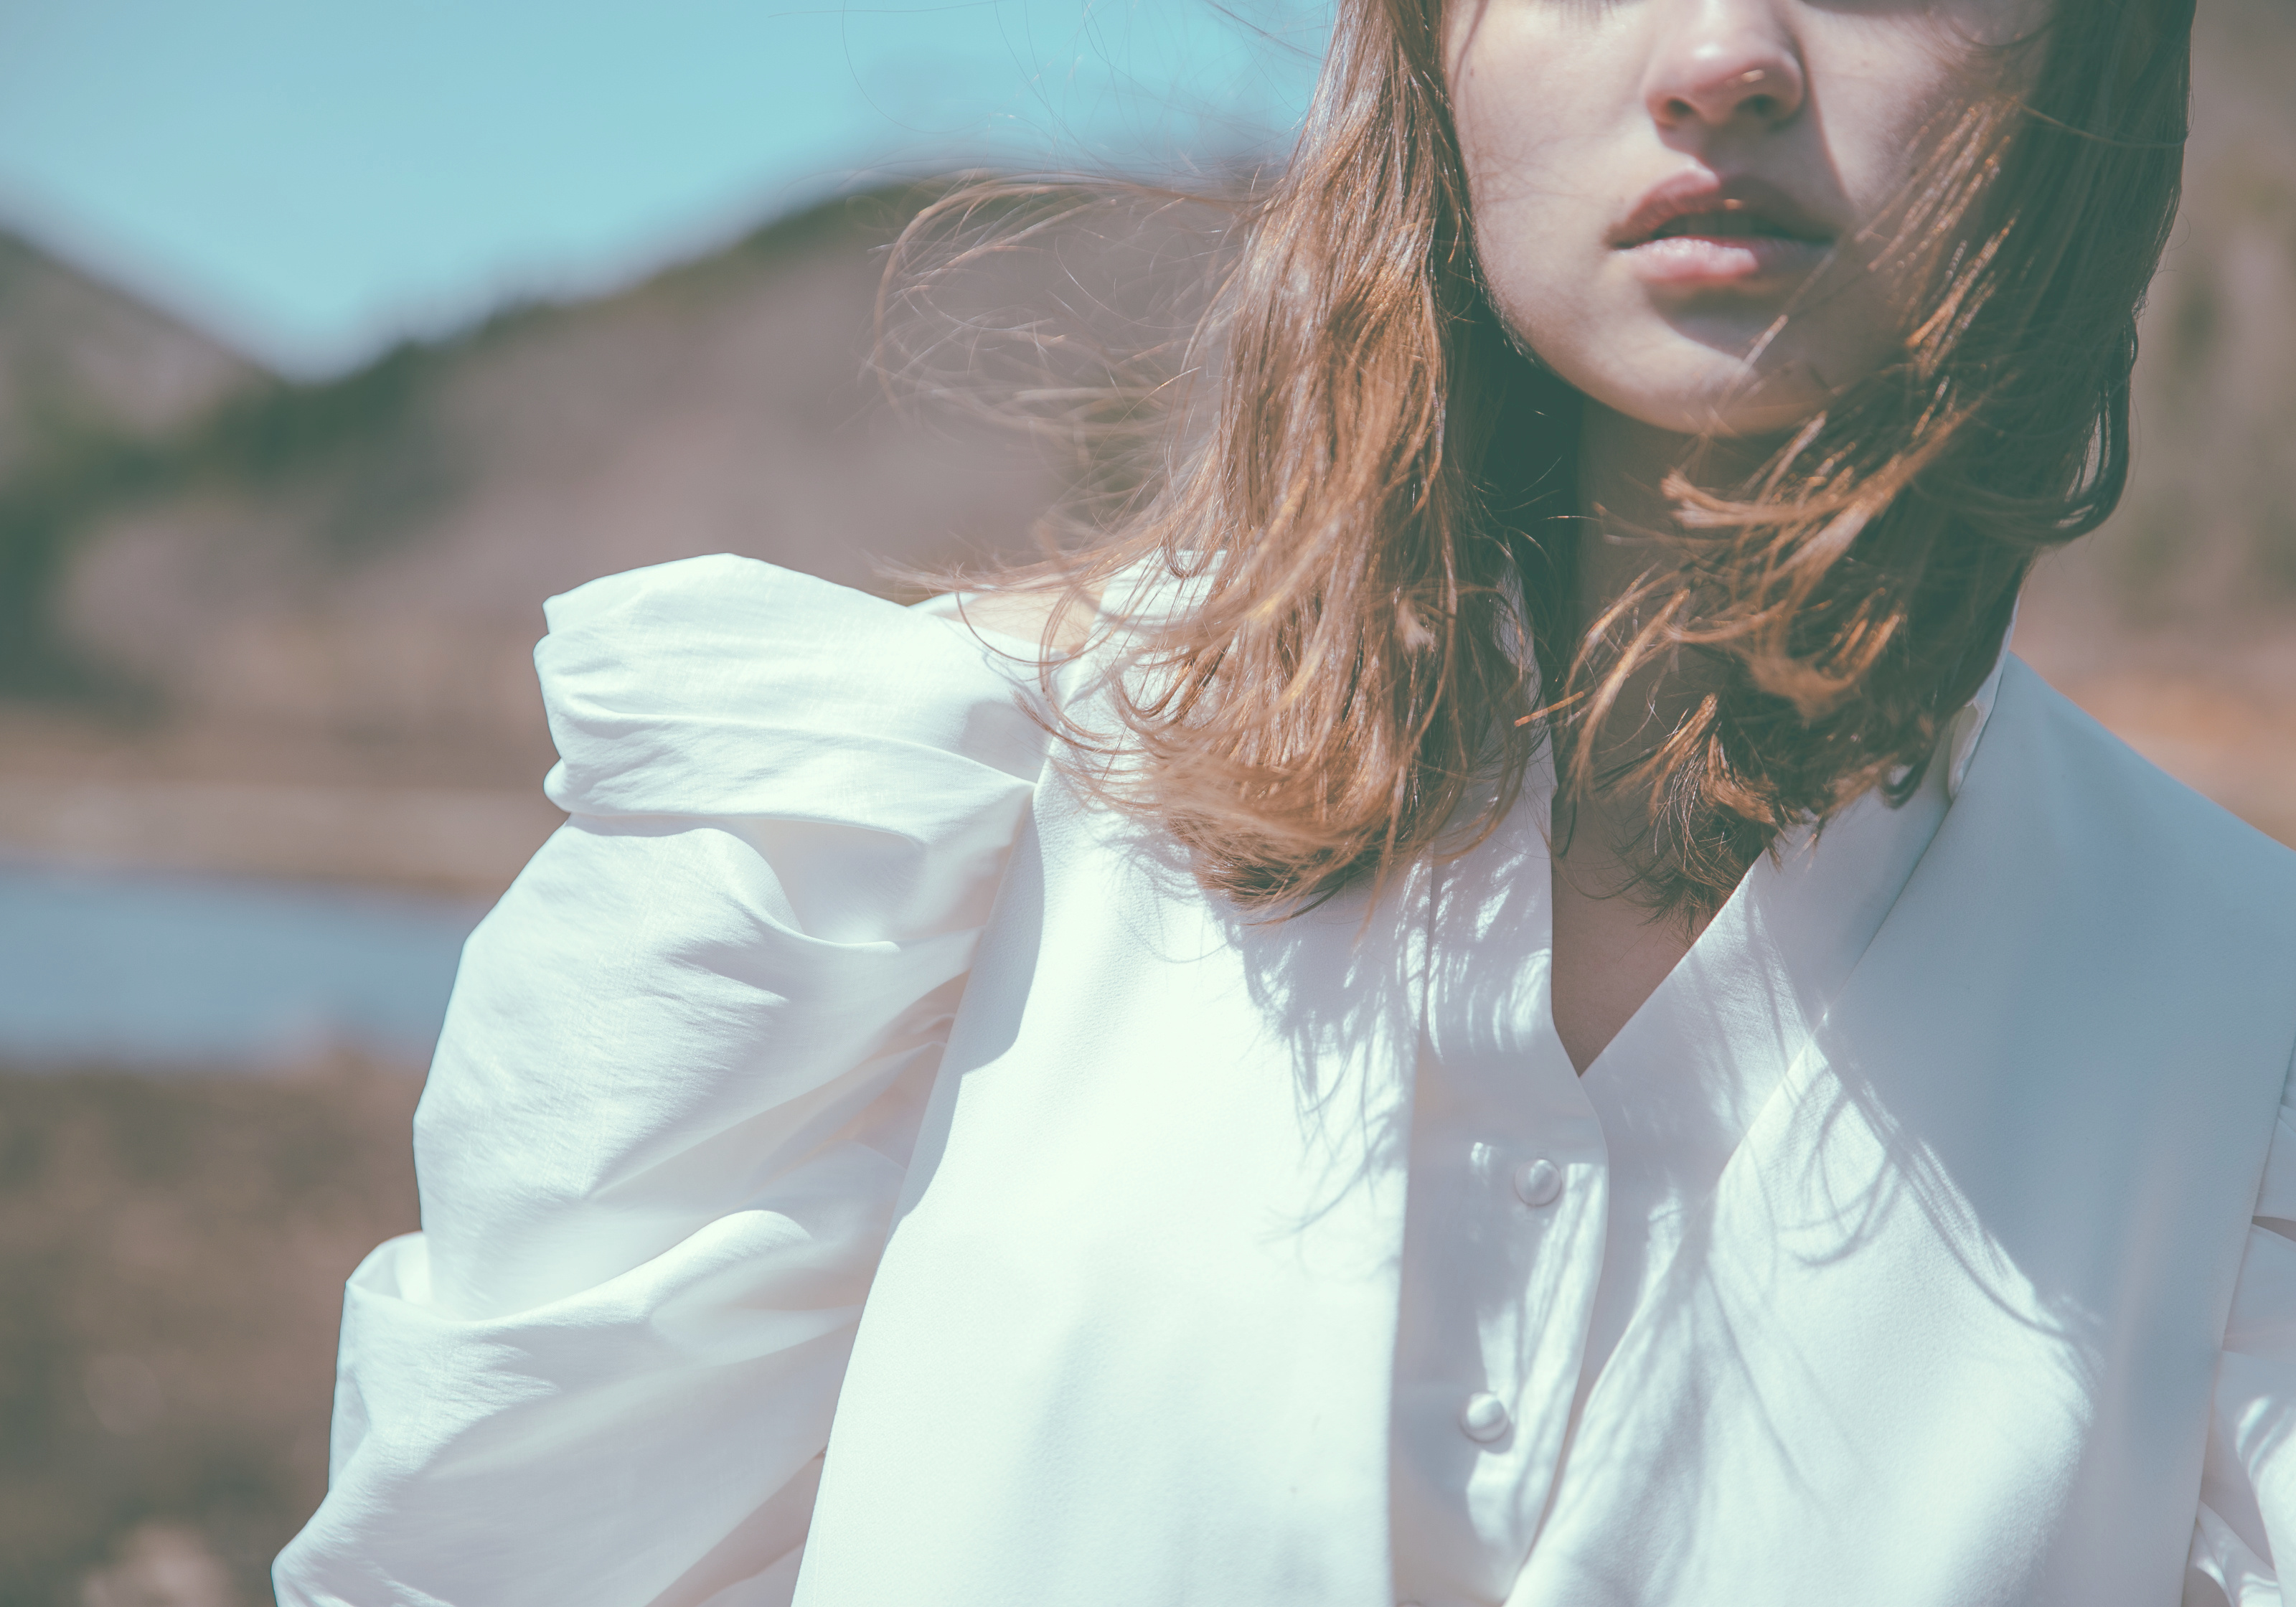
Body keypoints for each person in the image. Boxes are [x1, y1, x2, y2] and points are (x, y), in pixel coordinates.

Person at [276, 1, 2296, 1603]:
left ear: (2100, 66)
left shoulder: (2242, 1034)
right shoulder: (917, 827)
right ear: (1426, 54)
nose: (1721, 56)